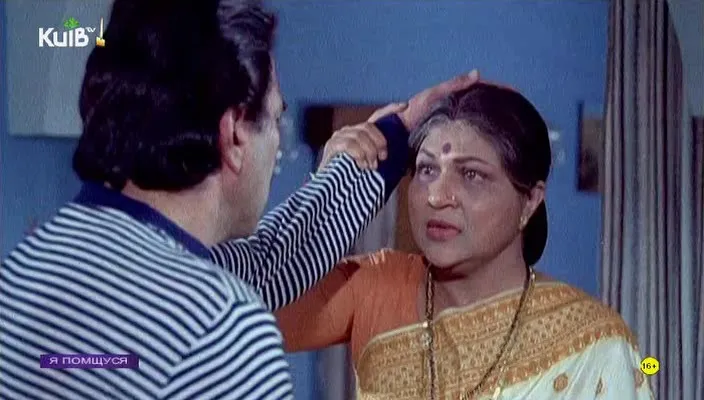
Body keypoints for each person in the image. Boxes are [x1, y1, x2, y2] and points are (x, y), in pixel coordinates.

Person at [0, 0, 481, 398]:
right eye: (274, 120)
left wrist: (391, 138)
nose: (277, 150)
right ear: (233, 134)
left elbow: (267, 263)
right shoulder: (217, 326)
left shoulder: (28, 270)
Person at [274, 83, 654, 400]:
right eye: (426, 169)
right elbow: (244, 306)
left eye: (471, 174)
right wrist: (331, 187)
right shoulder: (374, 287)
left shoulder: (594, 343)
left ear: (530, 201)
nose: (437, 196)